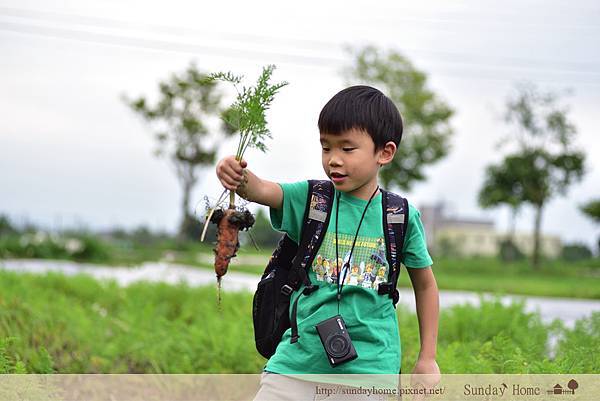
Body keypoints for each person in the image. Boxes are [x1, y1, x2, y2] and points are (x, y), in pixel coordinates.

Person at [216, 85, 440, 401]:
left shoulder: (399, 216)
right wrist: (237, 175)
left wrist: (427, 357)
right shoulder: (313, 199)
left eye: (347, 149)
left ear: (384, 153)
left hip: (370, 374)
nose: (333, 160)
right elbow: (261, 189)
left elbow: (426, 286)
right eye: (326, 148)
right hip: (295, 366)